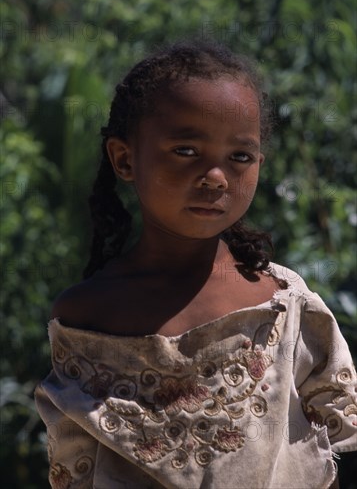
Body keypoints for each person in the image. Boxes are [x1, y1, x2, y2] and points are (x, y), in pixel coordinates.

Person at [35, 41, 356, 489]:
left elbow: (337, 442)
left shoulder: (284, 304)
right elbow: (75, 467)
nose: (216, 177)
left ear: (259, 165)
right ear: (125, 159)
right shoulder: (86, 317)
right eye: (186, 150)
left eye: (239, 157)